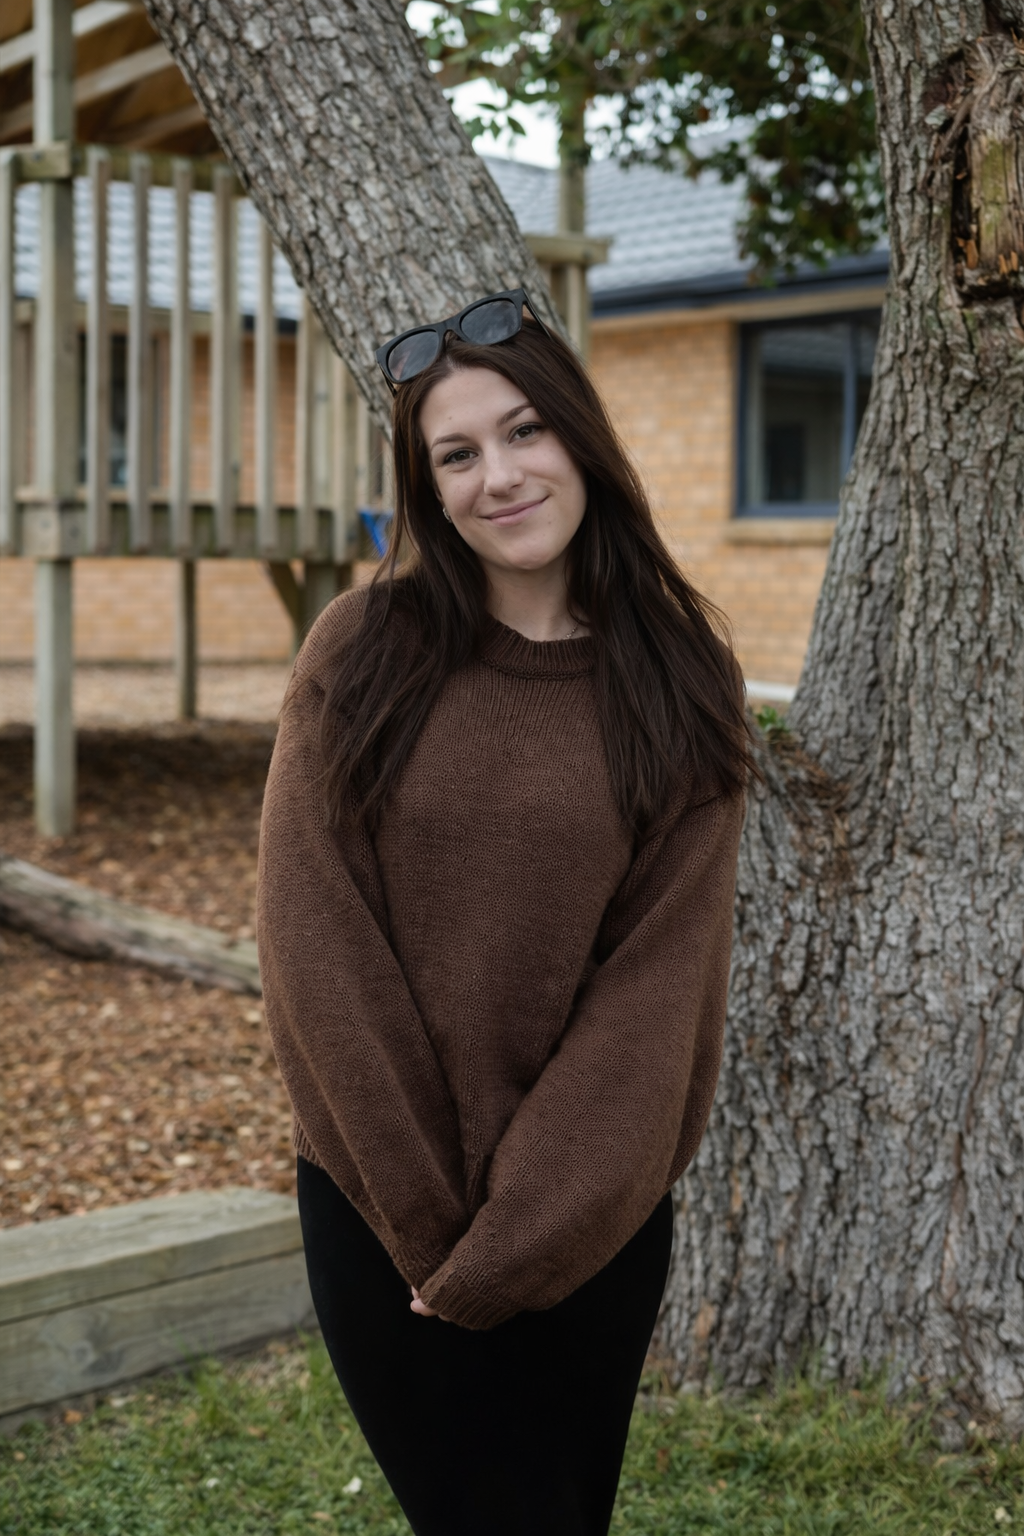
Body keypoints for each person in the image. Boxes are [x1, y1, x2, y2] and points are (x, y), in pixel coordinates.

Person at [256, 288, 752, 1536]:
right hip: (383, 1211)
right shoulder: (361, 650)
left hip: (592, 1213)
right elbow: (314, 944)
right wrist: (434, 1239)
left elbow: (659, 984)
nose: (500, 477)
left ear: (579, 440)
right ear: (426, 490)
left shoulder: (679, 675)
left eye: (524, 432)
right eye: (457, 455)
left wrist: (530, 1229)